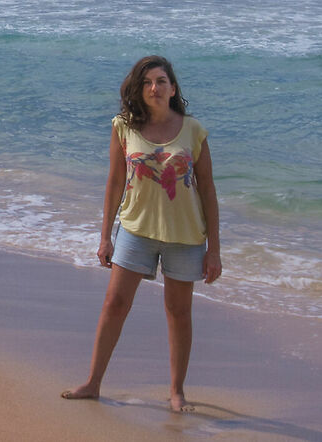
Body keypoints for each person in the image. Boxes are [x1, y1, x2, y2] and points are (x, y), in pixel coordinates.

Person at [62, 54, 221, 413]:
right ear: (139, 89)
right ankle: (93, 383)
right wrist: (105, 236)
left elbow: (208, 190)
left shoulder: (193, 130)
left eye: (161, 81)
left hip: (185, 236)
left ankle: (176, 392)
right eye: (148, 82)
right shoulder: (124, 127)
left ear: (173, 88)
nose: (154, 88)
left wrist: (214, 249)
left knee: (178, 312)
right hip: (135, 230)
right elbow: (115, 182)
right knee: (115, 304)